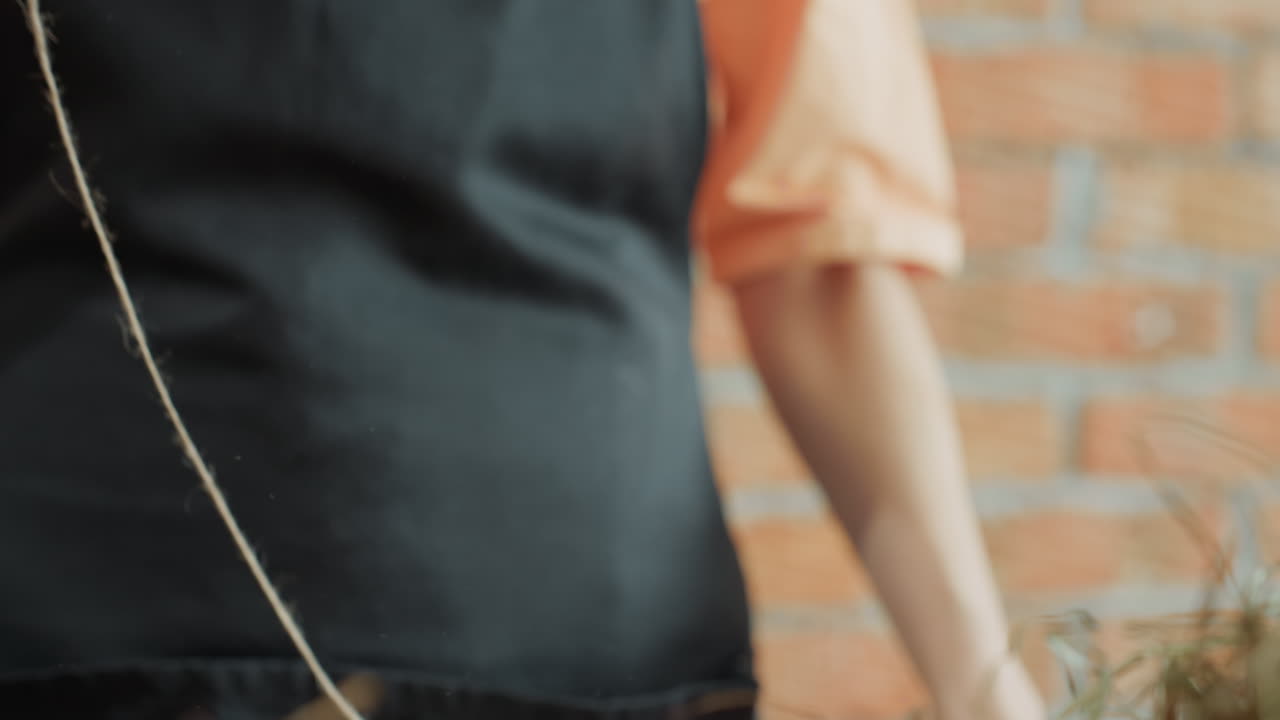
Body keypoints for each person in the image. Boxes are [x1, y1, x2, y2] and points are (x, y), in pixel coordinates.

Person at [0, 1, 1046, 718]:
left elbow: (825, 261)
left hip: (585, 657)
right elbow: (823, 252)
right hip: (76, 636)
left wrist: (980, 683)